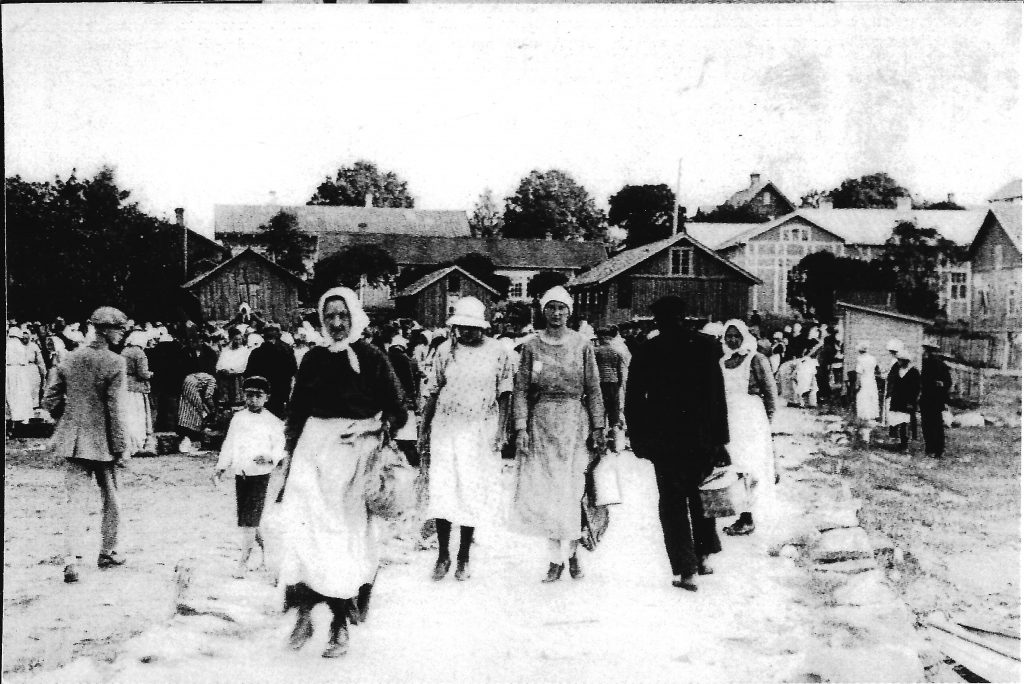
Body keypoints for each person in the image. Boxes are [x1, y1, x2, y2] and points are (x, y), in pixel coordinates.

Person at [277, 287, 407, 659]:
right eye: (329, 316)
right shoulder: (313, 358)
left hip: (353, 458)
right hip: (312, 453)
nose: (336, 323)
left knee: (342, 542)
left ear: (354, 317)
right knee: (301, 534)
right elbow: (297, 409)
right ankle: (303, 613)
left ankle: (339, 625)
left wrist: (369, 430)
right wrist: (288, 455)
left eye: (342, 316)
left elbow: (397, 410)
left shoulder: (372, 357)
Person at [624, 295, 728, 592]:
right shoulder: (706, 347)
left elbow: (633, 401)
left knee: (672, 505)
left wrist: (638, 439)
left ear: (657, 320)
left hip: (664, 442)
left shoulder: (647, 351)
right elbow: (717, 398)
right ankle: (705, 556)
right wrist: (721, 441)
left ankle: (686, 571)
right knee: (702, 497)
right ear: (685, 317)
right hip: (702, 439)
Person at [512, 286, 604, 583]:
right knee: (547, 493)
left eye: (561, 308)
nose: (556, 313)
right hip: (541, 423)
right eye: (551, 307)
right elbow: (522, 390)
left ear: (570, 311)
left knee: (574, 489)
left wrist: (599, 427)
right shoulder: (531, 346)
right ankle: (554, 559)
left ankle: (575, 554)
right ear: (543, 311)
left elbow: (593, 388)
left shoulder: (582, 344)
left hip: (575, 422)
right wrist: (520, 427)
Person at [419, 297, 515, 582]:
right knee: (444, 492)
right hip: (447, 429)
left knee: (471, 493)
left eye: (472, 328)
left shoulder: (498, 352)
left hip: (480, 430)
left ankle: (463, 557)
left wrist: (502, 430)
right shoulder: (445, 351)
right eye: (462, 327)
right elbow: (432, 392)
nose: (467, 333)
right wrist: (423, 431)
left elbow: (505, 393)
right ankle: (442, 555)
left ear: (483, 327)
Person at [41, 307, 130, 583]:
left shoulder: (69, 358)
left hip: (73, 442)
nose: (121, 334)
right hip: (103, 442)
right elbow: (116, 409)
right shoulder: (115, 362)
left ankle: (71, 559)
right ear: (105, 330)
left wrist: (69, 421)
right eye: (119, 329)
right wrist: (120, 446)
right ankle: (107, 551)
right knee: (112, 499)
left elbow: (50, 400)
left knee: (74, 502)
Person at [214, 376, 285, 578]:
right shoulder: (238, 418)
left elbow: (281, 447)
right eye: (249, 395)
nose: (253, 399)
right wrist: (221, 467)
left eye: (258, 395)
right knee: (249, 519)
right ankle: (265, 554)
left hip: (260, 476)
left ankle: (242, 563)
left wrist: (270, 457)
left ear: (267, 397)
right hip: (241, 473)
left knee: (250, 520)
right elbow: (229, 444)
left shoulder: (273, 422)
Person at [719, 320, 776, 537]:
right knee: (735, 465)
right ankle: (741, 512)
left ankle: (748, 516)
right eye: (728, 336)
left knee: (751, 466)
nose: (732, 340)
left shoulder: (756, 359)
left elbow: (770, 393)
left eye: (736, 336)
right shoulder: (722, 362)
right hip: (730, 418)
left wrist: (766, 423)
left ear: (744, 337)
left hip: (751, 418)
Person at [245, 323, 297, 419]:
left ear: (263, 336)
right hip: (281, 390)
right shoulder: (287, 350)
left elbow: (249, 374)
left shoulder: (256, 352)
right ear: (279, 335)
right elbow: (293, 370)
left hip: (263, 391)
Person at [386, 332, 422, 467]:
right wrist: (413, 398)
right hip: (405, 402)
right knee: (407, 438)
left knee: (394, 437)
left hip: (391, 402)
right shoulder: (404, 359)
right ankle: (415, 464)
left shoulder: (386, 357)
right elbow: (409, 382)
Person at [121, 330, 155, 455]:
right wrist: (151, 374)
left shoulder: (125, 351)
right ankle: (137, 444)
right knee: (138, 417)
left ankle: (127, 444)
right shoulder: (140, 353)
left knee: (127, 416)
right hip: (136, 388)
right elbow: (142, 373)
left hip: (124, 386)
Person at [594, 327, 627, 449]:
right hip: (613, 383)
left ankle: (600, 442)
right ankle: (615, 442)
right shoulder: (616, 351)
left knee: (600, 411)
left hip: (601, 383)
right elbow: (619, 370)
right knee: (614, 412)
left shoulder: (596, 351)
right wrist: (618, 383)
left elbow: (594, 370)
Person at [919, 342, 951, 460]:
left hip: (929, 398)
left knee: (928, 425)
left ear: (927, 351)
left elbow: (924, 381)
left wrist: (938, 385)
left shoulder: (927, 364)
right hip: (936, 399)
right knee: (936, 425)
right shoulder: (941, 364)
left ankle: (932, 449)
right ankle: (937, 450)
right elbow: (948, 383)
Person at [886, 348, 920, 452]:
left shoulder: (914, 372)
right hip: (897, 400)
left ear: (905, 361)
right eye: (898, 360)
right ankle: (897, 442)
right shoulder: (896, 369)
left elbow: (916, 389)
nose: (899, 362)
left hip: (907, 401)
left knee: (905, 423)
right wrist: (890, 393)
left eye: (901, 360)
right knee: (896, 421)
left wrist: (911, 402)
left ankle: (904, 444)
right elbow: (891, 381)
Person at [6, 327, 36, 428]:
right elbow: (24, 360)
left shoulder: (7, 344)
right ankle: (23, 418)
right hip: (20, 371)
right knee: (22, 394)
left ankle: (13, 418)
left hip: (9, 370)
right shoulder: (20, 346)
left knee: (11, 394)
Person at [851, 342, 880, 446]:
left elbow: (859, 374)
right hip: (871, 382)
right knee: (870, 400)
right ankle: (867, 428)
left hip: (864, 381)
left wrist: (856, 386)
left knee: (863, 402)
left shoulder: (860, 359)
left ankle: (864, 430)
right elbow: (876, 370)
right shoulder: (872, 359)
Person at [216, 327, 251, 407]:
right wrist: (223, 369)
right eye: (236, 339)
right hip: (225, 380)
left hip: (237, 380)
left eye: (240, 339)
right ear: (231, 339)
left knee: (238, 404)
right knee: (225, 405)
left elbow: (244, 365)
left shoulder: (245, 351)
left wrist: (233, 371)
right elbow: (219, 364)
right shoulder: (226, 350)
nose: (238, 341)